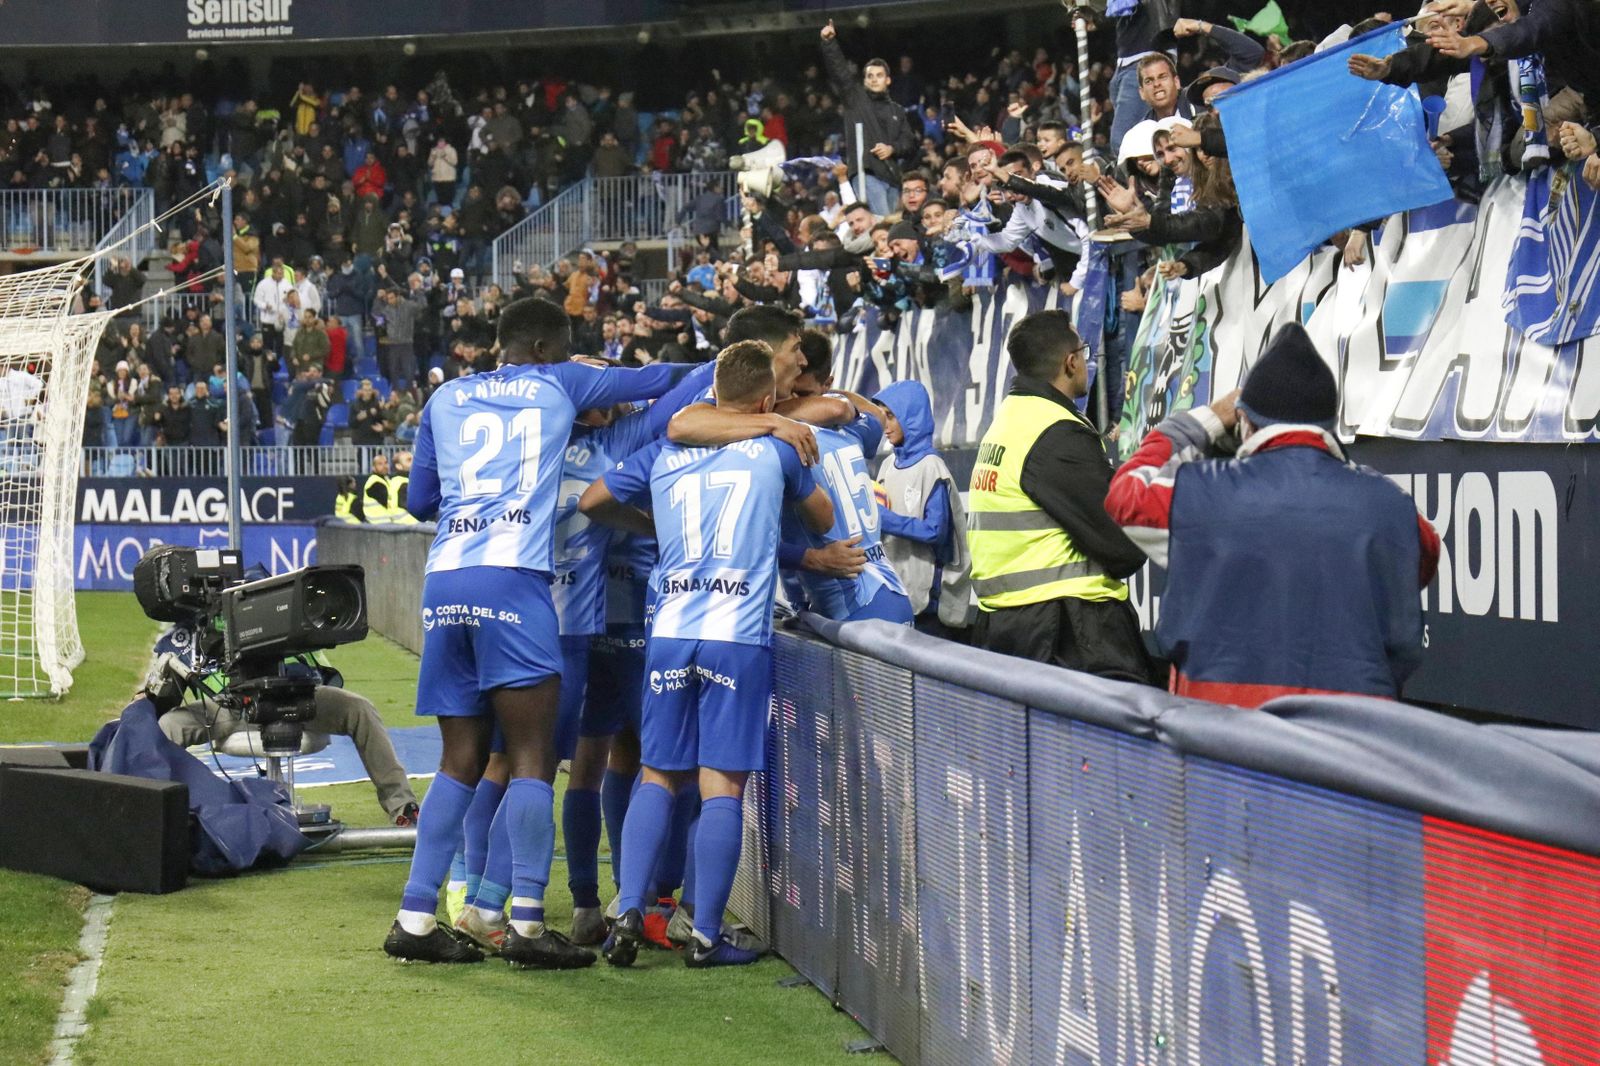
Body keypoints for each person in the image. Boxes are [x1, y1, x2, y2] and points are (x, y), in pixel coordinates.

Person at [383, 297, 686, 967]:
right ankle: (523, 922)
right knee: (532, 758)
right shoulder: (563, 387)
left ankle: (416, 914)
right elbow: (660, 381)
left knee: (460, 760)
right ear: (552, 348)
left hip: (446, 582)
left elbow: (419, 502)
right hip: (518, 589)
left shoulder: (447, 395)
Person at [582, 339, 835, 968]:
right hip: (736, 633)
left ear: (713, 395)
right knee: (722, 783)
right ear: (766, 399)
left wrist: (655, 529)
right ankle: (704, 934)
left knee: (657, 775)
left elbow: (592, 501)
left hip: (669, 628)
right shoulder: (779, 446)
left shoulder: (665, 452)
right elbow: (825, 520)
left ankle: (630, 910)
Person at [1106, 323, 1442, 706]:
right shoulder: (1391, 506)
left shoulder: (1199, 494)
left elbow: (1125, 494)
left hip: (1223, 736)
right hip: (1358, 740)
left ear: (1245, 422)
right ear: (1329, 425)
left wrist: (1207, 420)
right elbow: (1424, 554)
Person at [966, 310, 1153, 681]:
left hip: (1010, 627)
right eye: (1083, 351)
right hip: (1069, 634)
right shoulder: (1054, 432)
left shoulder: (1008, 421)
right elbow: (1124, 544)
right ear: (1071, 362)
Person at [873, 380, 975, 637]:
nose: (885, 425)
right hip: (898, 593)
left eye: (891, 416)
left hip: (932, 606)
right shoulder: (887, 466)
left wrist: (884, 519)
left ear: (911, 417)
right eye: (881, 416)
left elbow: (935, 531)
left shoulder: (932, 467)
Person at [820, 19, 918, 217]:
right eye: (869, 76)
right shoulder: (855, 99)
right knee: (882, 222)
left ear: (888, 80)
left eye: (879, 75)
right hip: (866, 173)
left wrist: (892, 149)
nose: (874, 79)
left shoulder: (898, 111)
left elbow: (910, 143)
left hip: (892, 177)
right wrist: (829, 43)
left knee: (891, 226)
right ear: (864, 80)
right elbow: (840, 72)